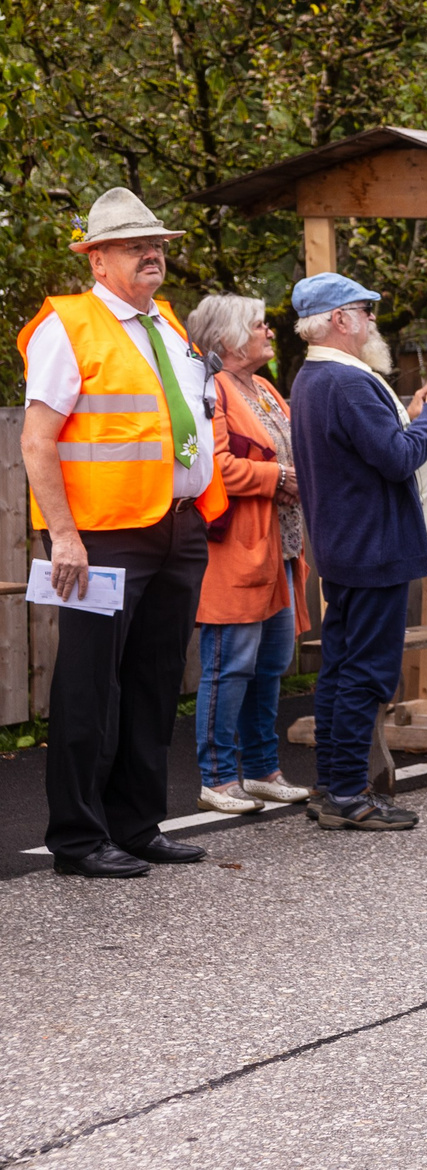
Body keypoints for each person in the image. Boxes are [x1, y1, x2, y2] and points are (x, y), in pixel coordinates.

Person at [17, 189, 228, 877]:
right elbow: (38, 442)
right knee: (88, 685)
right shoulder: (68, 326)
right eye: (136, 244)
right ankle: (78, 840)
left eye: (158, 242)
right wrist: (66, 536)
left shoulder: (167, 325)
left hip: (174, 526)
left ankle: (137, 825)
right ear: (97, 258)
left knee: (155, 681)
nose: (153, 253)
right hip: (102, 538)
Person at [288, 274, 427, 830]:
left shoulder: (314, 377)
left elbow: (372, 449)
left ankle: (330, 787)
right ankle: (346, 793)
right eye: (366, 310)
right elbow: (395, 458)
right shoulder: (347, 382)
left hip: (347, 544)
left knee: (341, 669)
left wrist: (411, 417)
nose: (372, 320)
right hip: (372, 545)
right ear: (339, 319)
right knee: (365, 673)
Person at [184, 294, 310, 815]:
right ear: (228, 338)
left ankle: (261, 771)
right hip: (236, 549)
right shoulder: (208, 390)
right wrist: (278, 477)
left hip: (278, 548)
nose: (268, 331)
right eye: (258, 324)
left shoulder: (262, 388)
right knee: (230, 665)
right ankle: (217, 777)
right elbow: (216, 468)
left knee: (271, 664)